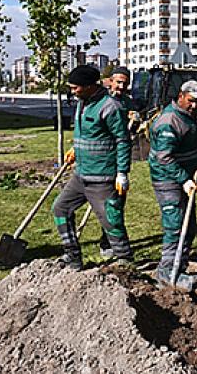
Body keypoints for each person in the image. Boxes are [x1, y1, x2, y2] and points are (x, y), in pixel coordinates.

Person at [51, 65, 134, 270]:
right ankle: (73, 256)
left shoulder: (110, 107)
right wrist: (75, 148)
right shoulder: (82, 103)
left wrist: (122, 173)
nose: (72, 91)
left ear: (90, 86)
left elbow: (123, 141)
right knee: (60, 208)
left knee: (111, 220)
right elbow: (89, 134)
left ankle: (124, 260)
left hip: (102, 177)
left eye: (75, 88)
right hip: (81, 175)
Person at [149, 80, 197, 290]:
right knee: (175, 226)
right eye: (191, 101)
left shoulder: (188, 115)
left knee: (188, 225)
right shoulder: (168, 121)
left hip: (184, 178)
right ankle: (166, 273)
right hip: (168, 179)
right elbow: (164, 157)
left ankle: (179, 268)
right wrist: (184, 179)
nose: (194, 106)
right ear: (181, 96)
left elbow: (187, 135)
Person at [96, 66, 137, 259]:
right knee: (105, 204)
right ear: (110, 81)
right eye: (118, 82)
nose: (121, 86)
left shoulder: (128, 103)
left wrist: (135, 123)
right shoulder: (102, 101)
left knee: (117, 204)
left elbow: (129, 132)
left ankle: (109, 242)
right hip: (102, 159)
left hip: (120, 159)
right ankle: (107, 243)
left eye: (125, 83)